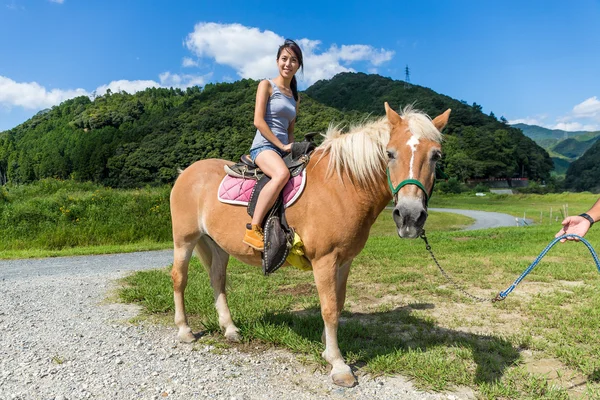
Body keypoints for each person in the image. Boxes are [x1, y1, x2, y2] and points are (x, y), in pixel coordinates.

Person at [242, 39, 303, 251]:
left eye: (293, 60)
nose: (288, 64)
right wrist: (282, 146)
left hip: (283, 149)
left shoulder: (295, 97)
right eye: (284, 59)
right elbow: (258, 121)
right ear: (277, 61)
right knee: (281, 175)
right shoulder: (266, 85)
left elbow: (290, 130)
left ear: (298, 65)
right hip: (264, 147)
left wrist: (293, 148)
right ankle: (254, 227)